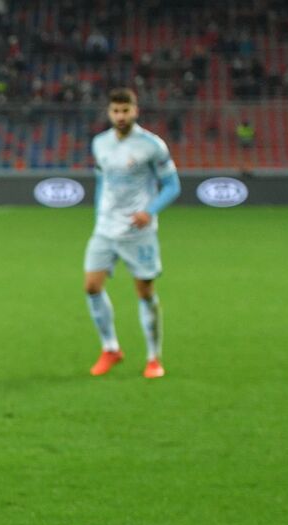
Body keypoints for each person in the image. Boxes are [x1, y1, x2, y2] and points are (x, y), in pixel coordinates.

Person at [83, 88, 180, 379]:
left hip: (139, 232)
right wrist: (99, 214)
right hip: (105, 229)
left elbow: (173, 186)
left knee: (145, 292)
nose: (120, 116)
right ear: (109, 112)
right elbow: (102, 181)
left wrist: (149, 211)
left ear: (135, 111)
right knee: (91, 287)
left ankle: (153, 357)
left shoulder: (152, 145)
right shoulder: (100, 143)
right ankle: (110, 348)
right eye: (115, 111)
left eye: (125, 111)